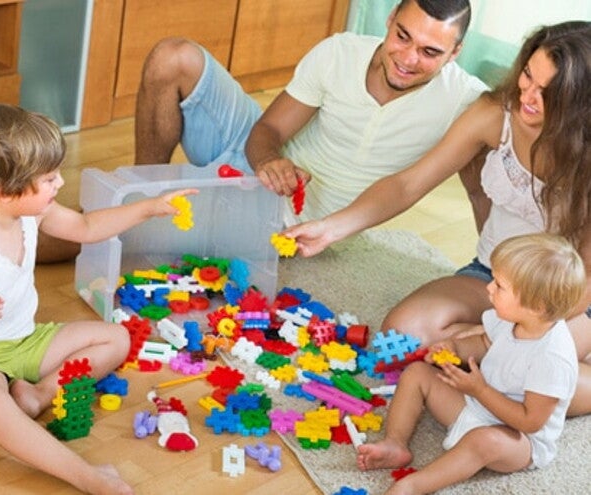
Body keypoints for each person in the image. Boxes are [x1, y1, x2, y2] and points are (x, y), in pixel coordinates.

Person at [283, 21, 591, 414]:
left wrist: (499, 334)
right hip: (492, 277)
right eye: (527, 76)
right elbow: (409, 184)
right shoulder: (494, 115)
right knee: (403, 336)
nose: (527, 96)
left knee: (509, 373)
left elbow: (584, 285)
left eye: (547, 94)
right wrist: (331, 228)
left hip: (564, 302)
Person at [0, 104, 197, 495]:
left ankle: (37, 395)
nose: (59, 184)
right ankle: (87, 476)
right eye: (50, 178)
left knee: (116, 338)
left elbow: (88, 227)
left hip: (23, 341)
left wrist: (149, 208)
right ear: (7, 192)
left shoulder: (31, 213)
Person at [134, 0, 487, 218]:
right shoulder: (339, 52)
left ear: (455, 53)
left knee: (92, 234)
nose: (407, 59)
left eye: (430, 52)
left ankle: (124, 218)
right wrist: (270, 160)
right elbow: (267, 131)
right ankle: (138, 192)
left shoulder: (466, 100)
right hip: (255, 155)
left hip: (286, 211)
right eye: (402, 36)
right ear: (391, 17)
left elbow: (497, 174)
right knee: (173, 56)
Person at [357, 233, 585, 495]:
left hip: (518, 440)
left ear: (535, 306)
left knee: (484, 441)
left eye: (499, 285)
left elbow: (530, 422)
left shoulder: (552, 358)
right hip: (477, 405)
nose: (489, 287)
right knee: (418, 372)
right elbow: (486, 343)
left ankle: (413, 486)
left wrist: (480, 390)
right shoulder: (510, 318)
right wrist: (454, 349)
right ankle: (395, 443)